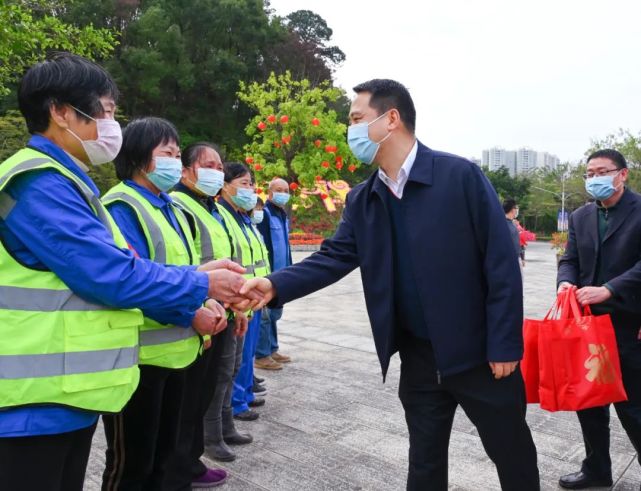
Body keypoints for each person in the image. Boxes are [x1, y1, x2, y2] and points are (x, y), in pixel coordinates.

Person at [240, 79, 539, 490]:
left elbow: (501, 264)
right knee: (424, 462)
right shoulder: (364, 199)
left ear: (391, 119)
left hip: (480, 355)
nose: (351, 131)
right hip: (417, 356)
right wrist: (274, 285)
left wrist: (504, 343)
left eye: (357, 119)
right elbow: (334, 256)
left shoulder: (459, 177)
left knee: (511, 453)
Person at [0, 53, 252, 491]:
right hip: (32, 402)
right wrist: (200, 282)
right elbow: (109, 274)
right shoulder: (39, 180)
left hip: (63, 392)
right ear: (61, 112)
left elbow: (122, 266)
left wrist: (197, 275)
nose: (112, 125)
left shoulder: (66, 180)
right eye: (107, 110)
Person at [100, 118, 233, 490]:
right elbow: (135, 280)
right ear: (140, 158)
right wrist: (193, 313)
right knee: (133, 465)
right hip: (140, 358)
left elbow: (186, 269)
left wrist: (208, 300)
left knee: (168, 459)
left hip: (178, 351)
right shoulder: (123, 206)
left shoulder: (170, 207)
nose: (176, 161)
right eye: (168, 154)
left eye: (177, 153)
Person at [557, 149, 641, 489]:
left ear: (622, 175)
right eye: (590, 173)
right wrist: (565, 280)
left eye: (602, 171)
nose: (595, 179)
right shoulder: (581, 217)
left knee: (632, 407)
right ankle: (596, 470)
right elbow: (570, 258)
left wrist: (609, 288)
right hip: (587, 325)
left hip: (628, 324)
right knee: (589, 402)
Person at [169, 142, 252, 470]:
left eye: (220, 167)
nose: (217, 172)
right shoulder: (180, 204)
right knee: (206, 382)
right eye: (209, 165)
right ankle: (208, 440)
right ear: (187, 170)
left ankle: (221, 429)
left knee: (225, 372)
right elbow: (189, 261)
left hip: (227, 306)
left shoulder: (212, 208)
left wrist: (240, 303)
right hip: (201, 308)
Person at [217, 163, 270, 423]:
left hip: (254, 298)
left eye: (251, 183)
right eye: (244, 183)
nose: (250, 189)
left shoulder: (243, 217)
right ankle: (236, 403)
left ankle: (244, 393)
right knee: (234, 359)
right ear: (225, 185)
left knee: (246, 355)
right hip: (238, 299)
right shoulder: (222, 215)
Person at [255, 178, 293, 370]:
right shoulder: (265, 214)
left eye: (286, 190)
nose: (283, 193)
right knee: (265, 315)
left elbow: (285, 245)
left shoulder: (282, 214)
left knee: (275, 313)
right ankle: (262, 355)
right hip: (268, 273)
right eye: (279, 189)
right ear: (269, 192)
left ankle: (272, 348)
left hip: (282, 270)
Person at [503, 198, 523, 268]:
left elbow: (518, 243)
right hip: (509, 260)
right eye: (516, 208)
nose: (517, 210)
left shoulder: (513, 224)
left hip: (515, 258)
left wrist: (521, 257)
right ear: (512, 209)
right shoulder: (504, 225)